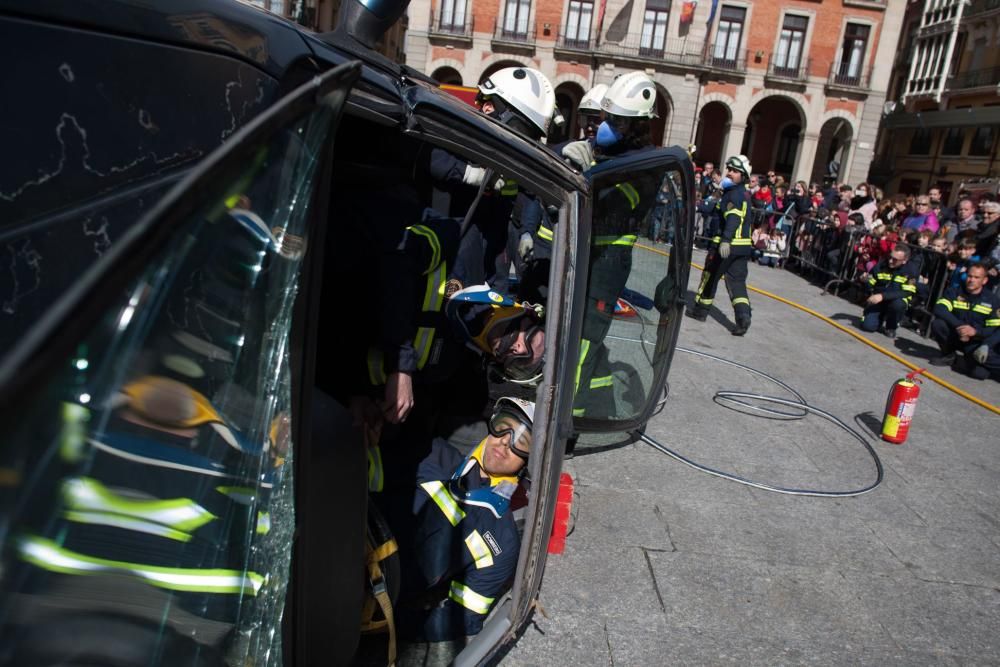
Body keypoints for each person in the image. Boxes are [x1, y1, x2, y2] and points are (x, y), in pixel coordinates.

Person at [383, 397, 535, 641]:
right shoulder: (433, 454)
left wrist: (390, 626)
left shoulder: (502, 543)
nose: (506, 440)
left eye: (522, 441)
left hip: (376, 593)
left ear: (529, 461)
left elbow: (463, 617)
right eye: (503, 425)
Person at [560, 71, 660, 414]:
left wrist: (584, 176)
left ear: (636, 126)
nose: (606, 126)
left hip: (605, 268)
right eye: (608, 118)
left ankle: (565, 422)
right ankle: (599, 405)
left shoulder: (646, 167)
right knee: (579, 340)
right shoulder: (611, 154)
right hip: (588, 257)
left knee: (583, 344)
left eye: (616, 121)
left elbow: (605, 206)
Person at [687, 154, 754, 335]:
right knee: (737, 283)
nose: (729, 173)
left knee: (710, 277)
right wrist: (694, 205)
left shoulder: (734, 195)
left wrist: (725, 240)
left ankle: (700, 311)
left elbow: (733, 219)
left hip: (726, 246)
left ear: (743, 176)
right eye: (729, 169)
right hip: (742, 248)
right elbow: (713, 209)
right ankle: (743, 317)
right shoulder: (738, 193)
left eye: (735, 171)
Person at [930, 263, 1000, 379]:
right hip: (956, 334)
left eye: (976, 277)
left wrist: (976, 333)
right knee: (938, 324)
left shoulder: (992, 300)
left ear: (984, 280)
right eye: (969, 276)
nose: (971, 280)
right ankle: (948, 355)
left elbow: (994, 328)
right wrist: (961, 326)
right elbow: (939, 309)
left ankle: (968, 362)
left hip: (975, 342)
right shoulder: (954, 292)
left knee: (979, 374)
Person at [859, 245, 918, 338]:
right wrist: (864, 281)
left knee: (897, 305)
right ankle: (877, 318)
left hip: (895, 300)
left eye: (895, 259)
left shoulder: (911, 270)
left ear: (904, 260)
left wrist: (883, 296)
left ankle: (891, 327)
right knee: (867, 326)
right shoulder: (881, 265)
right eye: (890, 257)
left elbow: (907, 292)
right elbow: (871, 283)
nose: (890, 261)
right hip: (879, 300)